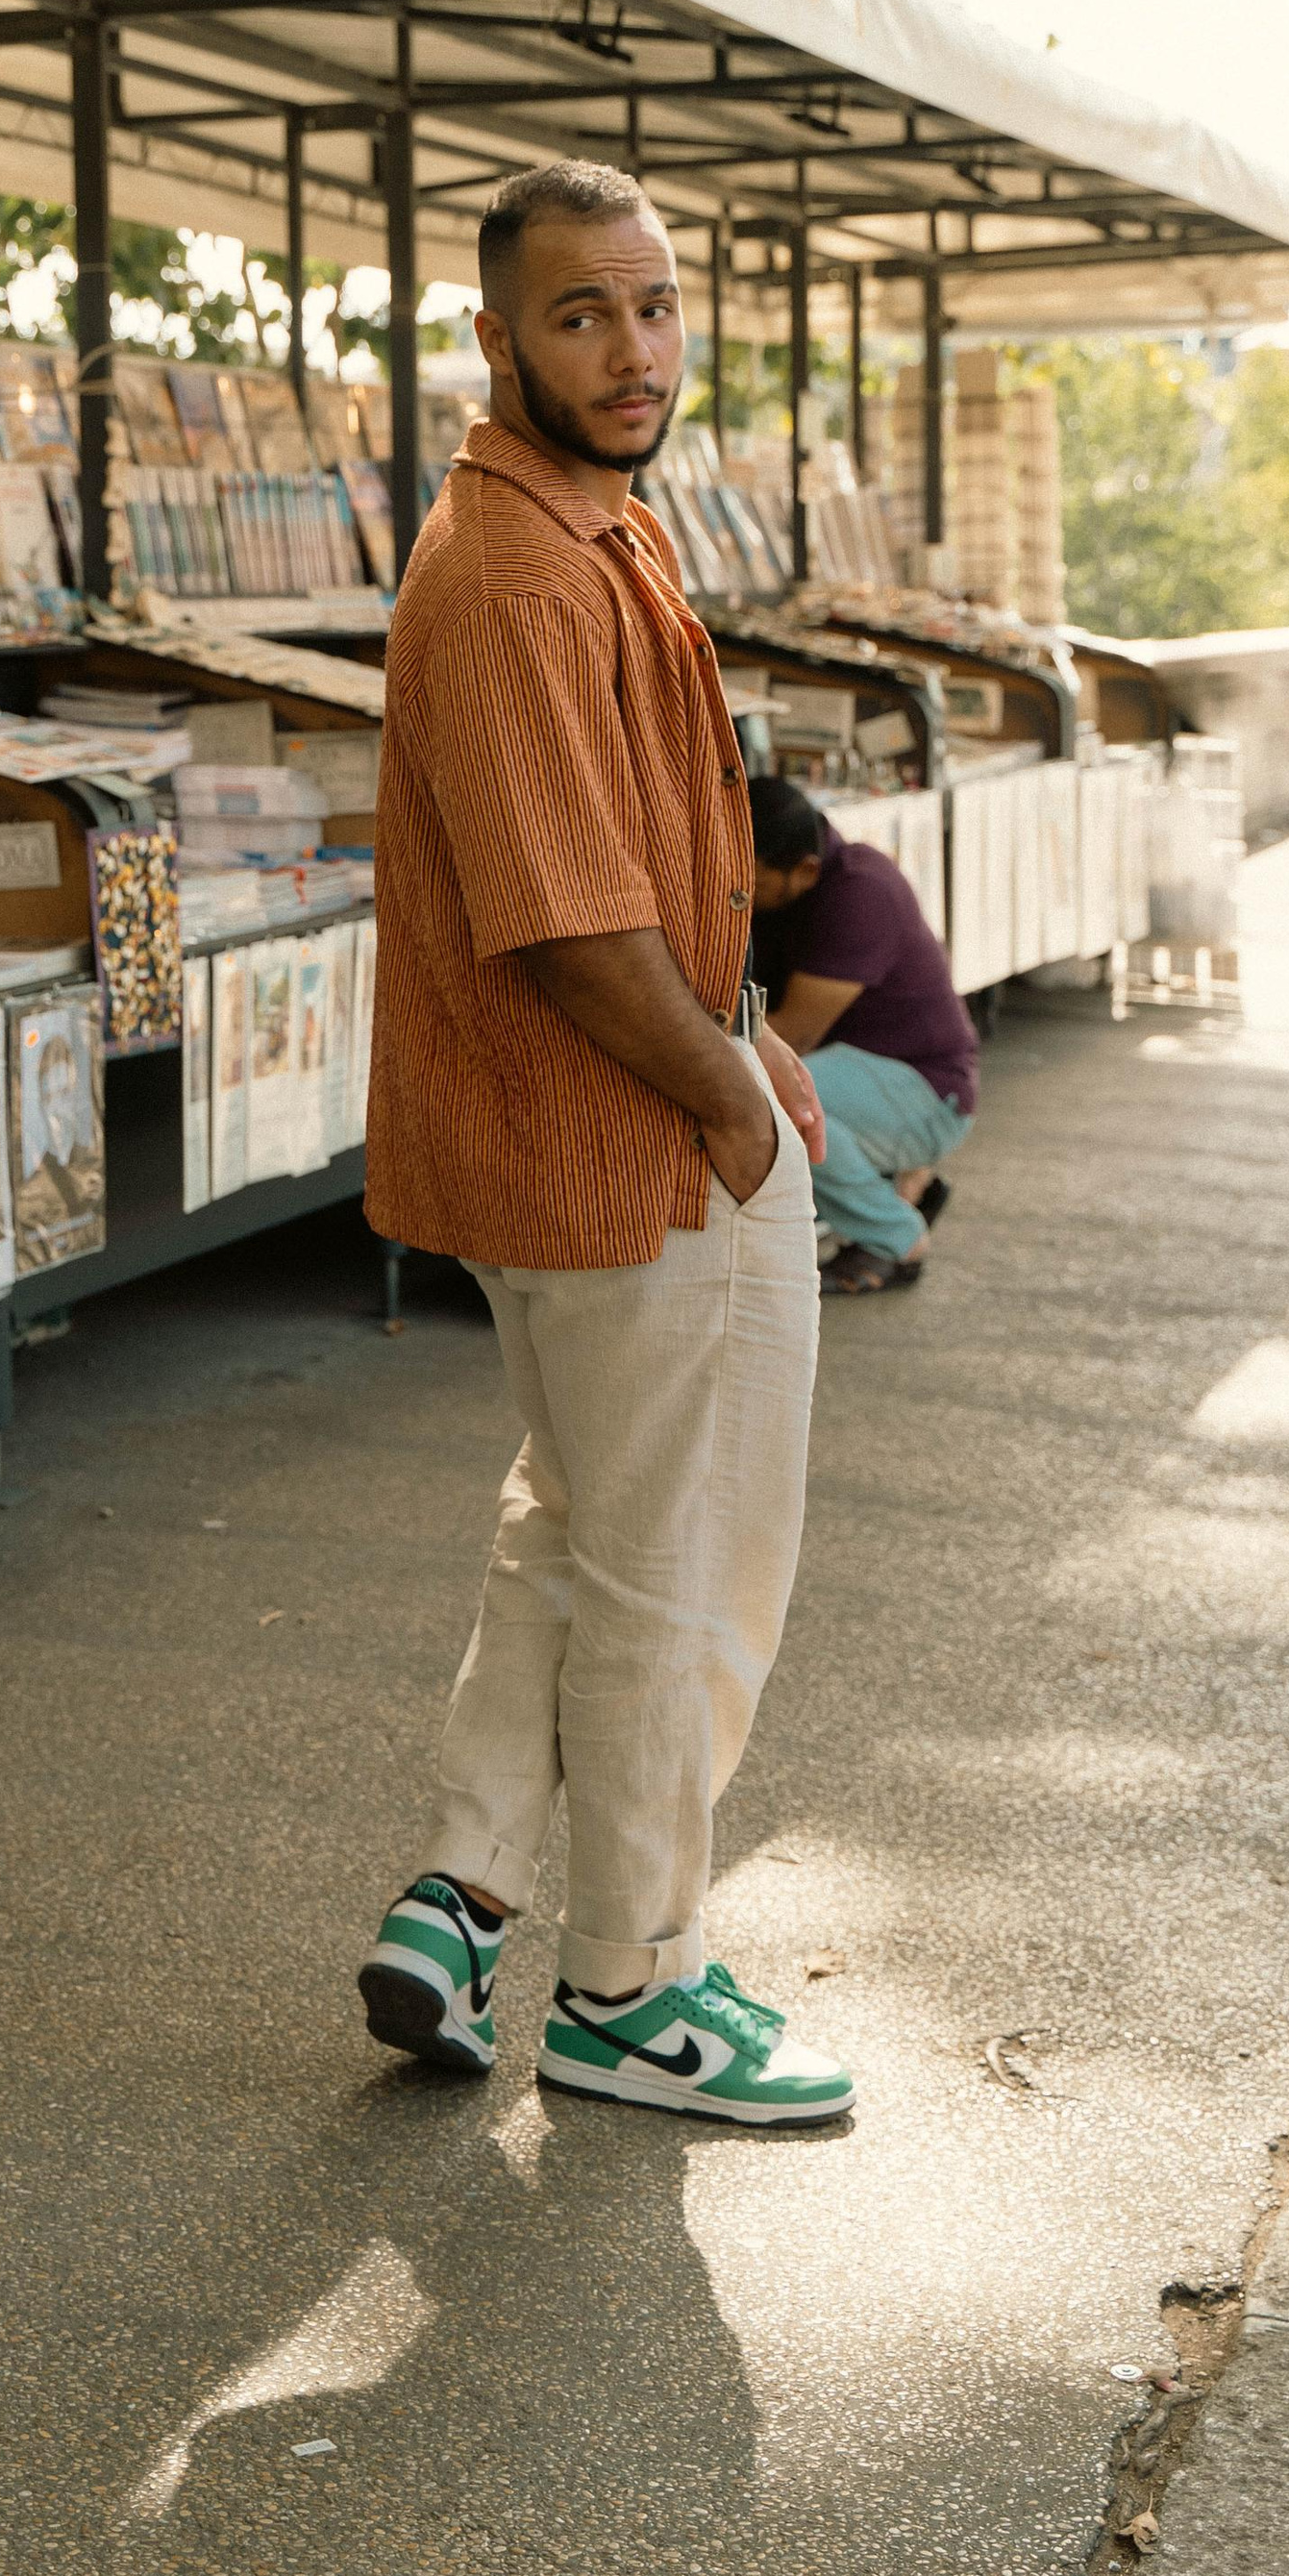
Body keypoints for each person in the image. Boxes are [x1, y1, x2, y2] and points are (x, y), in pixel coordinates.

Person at [358, 159, 856, 2130]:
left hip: (620, 1131)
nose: (631, 348)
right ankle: (630, 1988)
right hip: (626, 1154)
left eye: (651, 308)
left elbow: (640, 875)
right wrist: (732, 1104)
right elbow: (567, 922)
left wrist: (738, 1029)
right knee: (684, 1574)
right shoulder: (509, 570)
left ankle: (464, 1891)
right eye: (580, 315)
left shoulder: (583, 530)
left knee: (577, 1526)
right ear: (494, 341)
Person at [747, 774, 978, 1297]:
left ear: (804, 868)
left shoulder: (860, 892)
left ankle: (896, 1237)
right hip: (872, 1076)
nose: (744, 898)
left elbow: (791, 1038)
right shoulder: (795, 889)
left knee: (772, 1096)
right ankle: (894, 1189)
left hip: (926, 1093)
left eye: (754, 886)